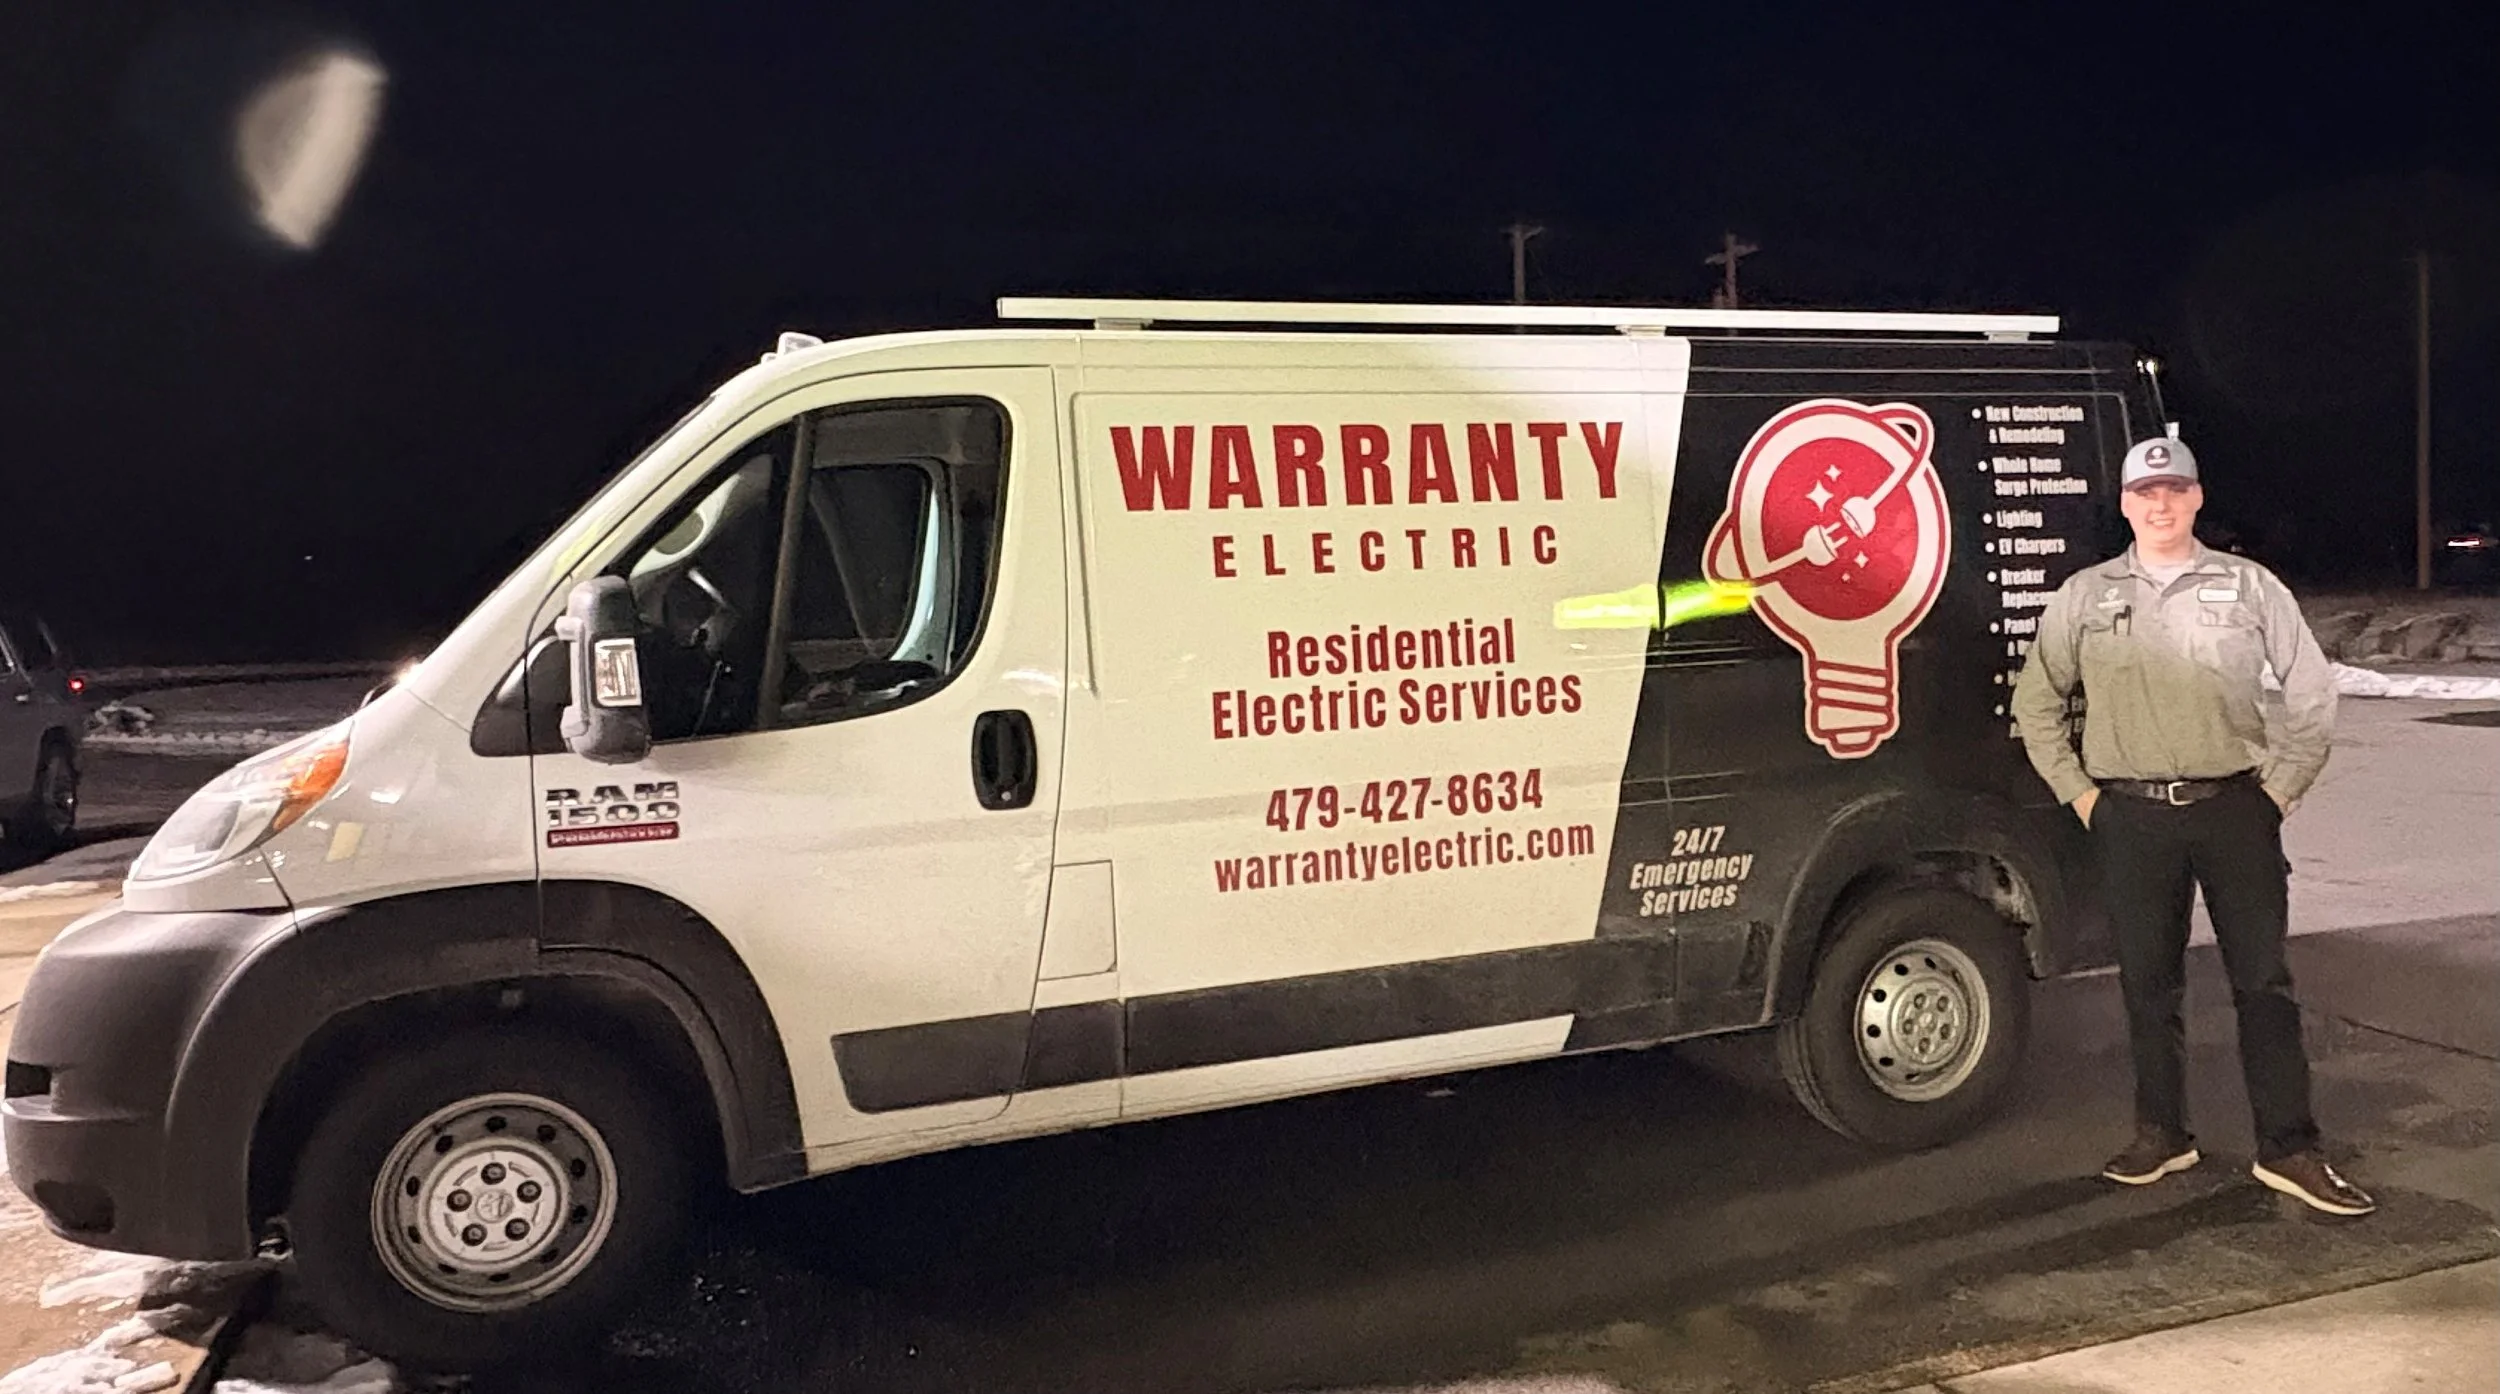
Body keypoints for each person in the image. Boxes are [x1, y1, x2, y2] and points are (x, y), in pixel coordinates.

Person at [2010, 436, 2374, 1216]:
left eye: (2175, 490)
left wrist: (2278, 792)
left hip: (2236, 809)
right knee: (2148, 985)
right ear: (2125, 504)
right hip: (2130, 817)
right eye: (2146, 493)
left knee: (2263, 984)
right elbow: (2036, 704)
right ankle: (2162, 1134)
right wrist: (2083, 798)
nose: (2161, 504)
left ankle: (2289, 1148)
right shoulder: (2086, 595)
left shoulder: (2248, 586)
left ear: (2198, 498)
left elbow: (2312, 691)